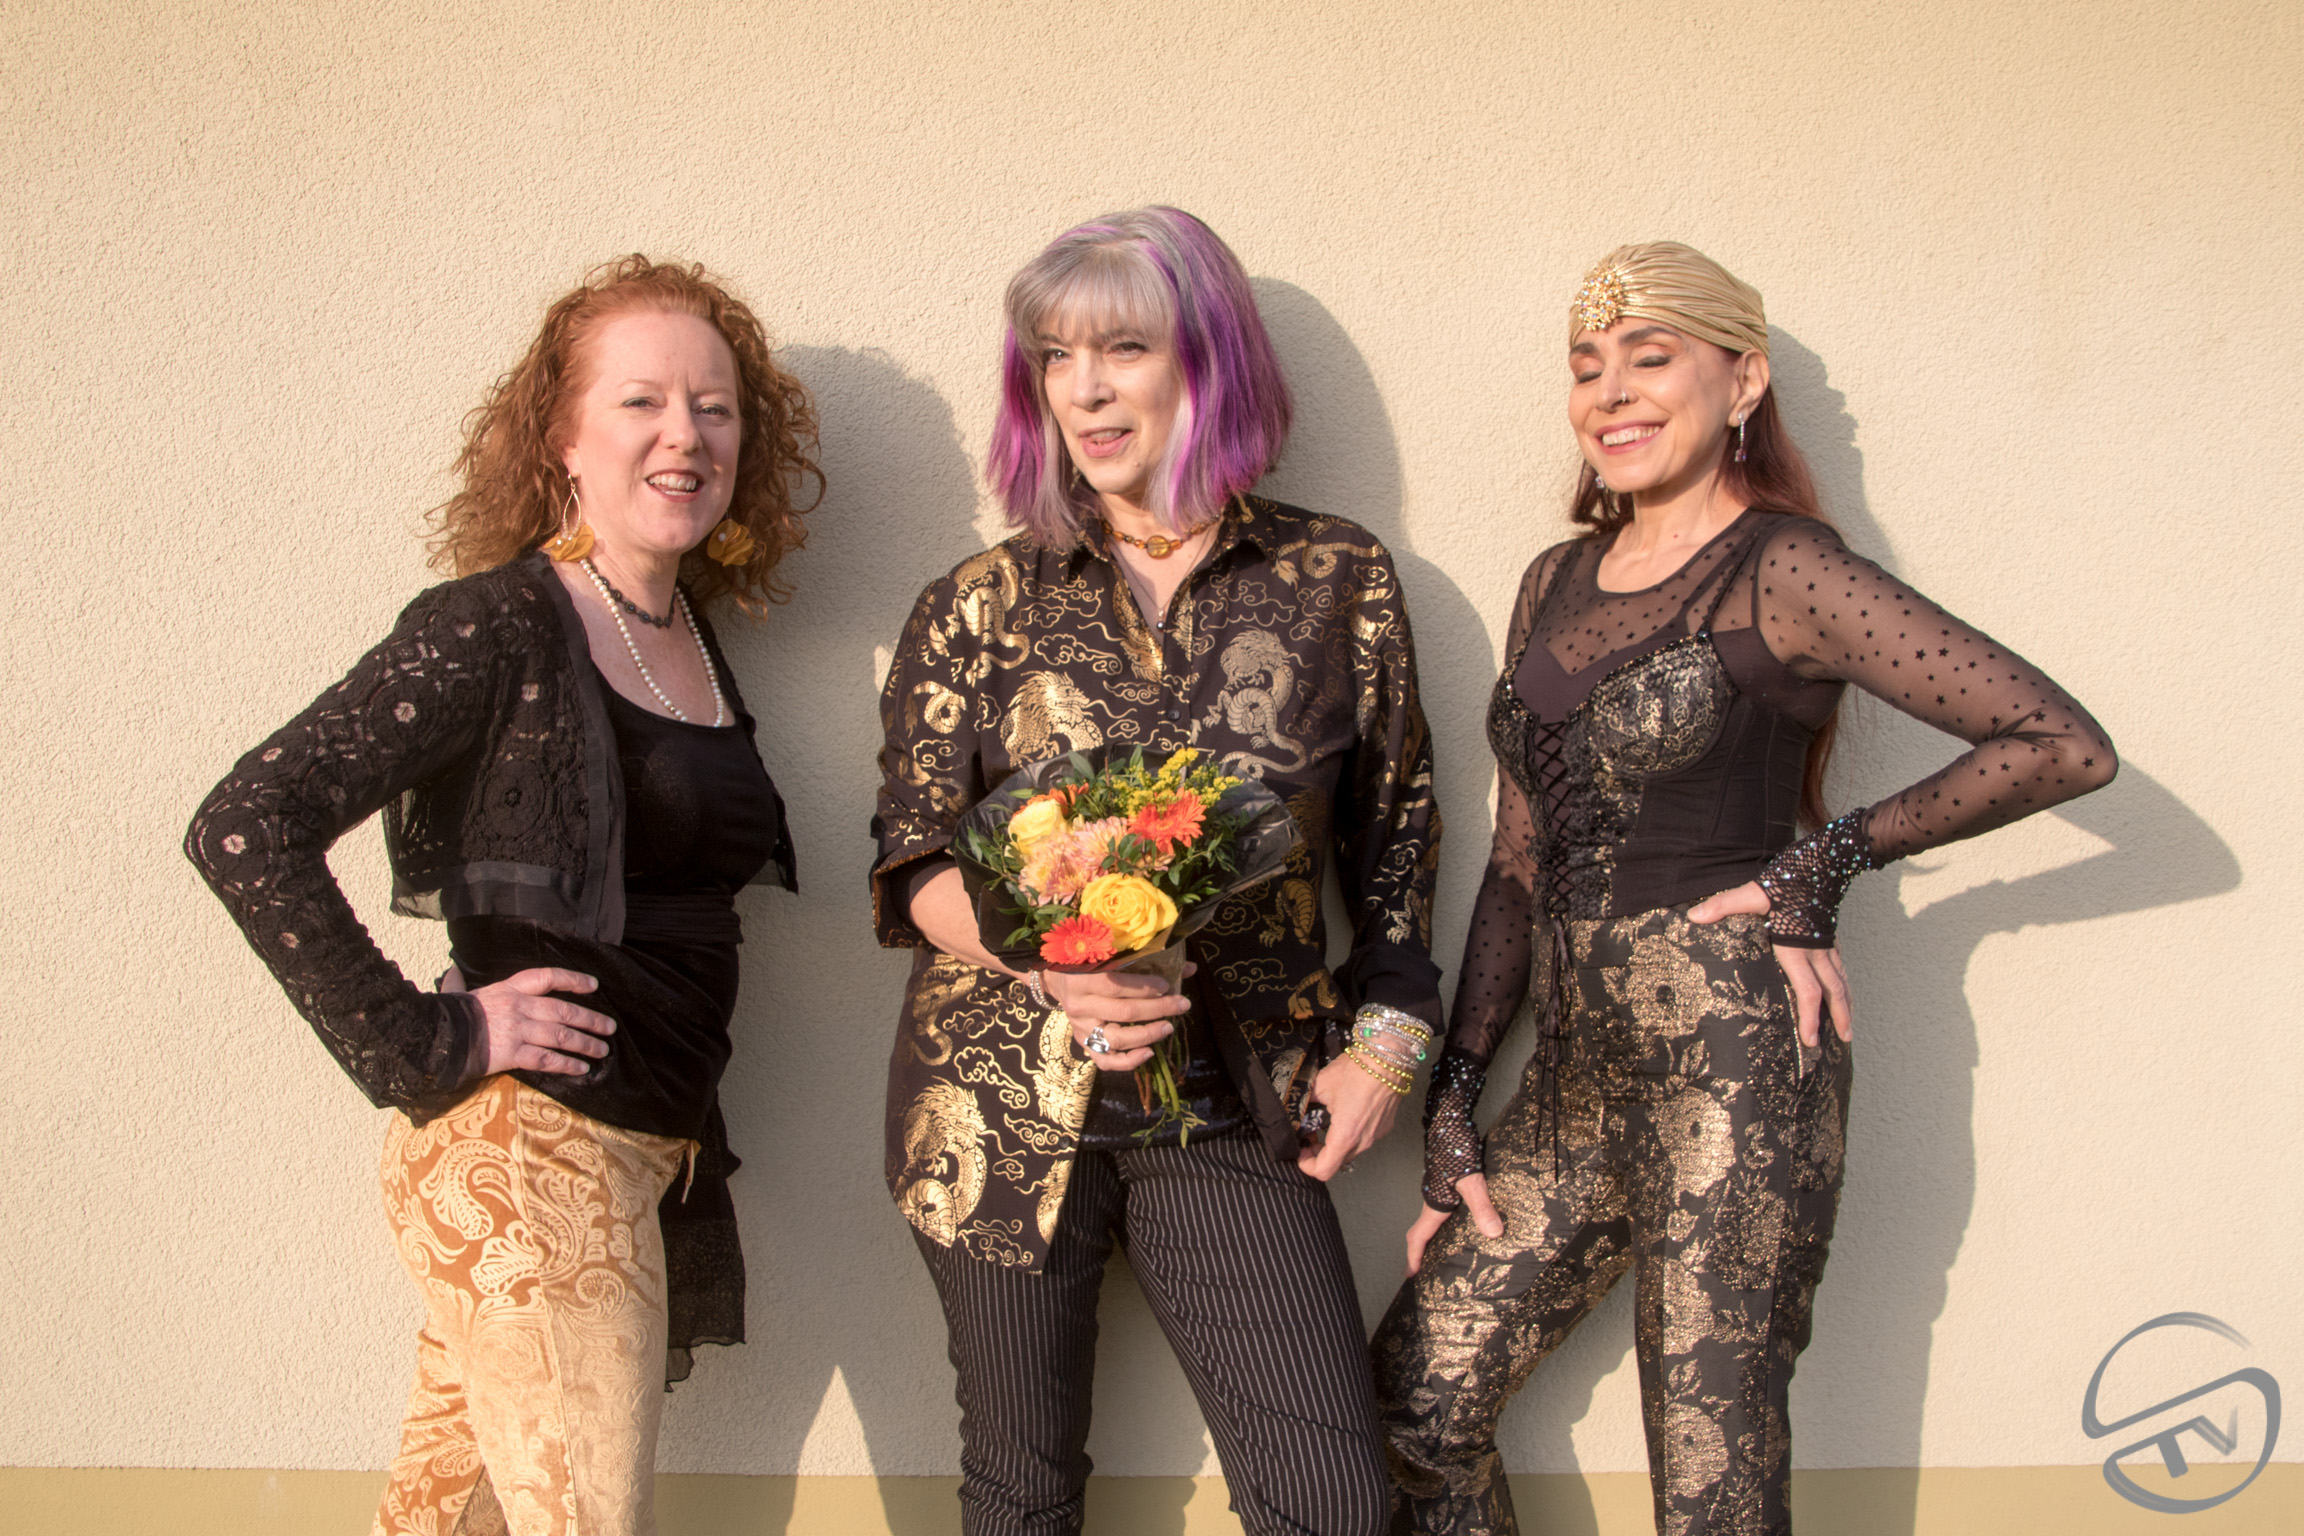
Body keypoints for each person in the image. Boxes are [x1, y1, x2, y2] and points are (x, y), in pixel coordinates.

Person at [1372, 242, 2117, 1535]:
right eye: (1586, 367)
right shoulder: (1554, 581)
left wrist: (1824, 864)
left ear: (1744, 380)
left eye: (1650, 358)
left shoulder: (1786, 567)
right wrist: (1456, 1101)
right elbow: (1519, 860)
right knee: (1413, 1406)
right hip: (1575, 1074)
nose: (1611, 393)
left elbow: (2059, 744)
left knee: (1708, 1472)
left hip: (1736, 1064)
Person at [185, 255, 819, 1536]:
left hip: (634, 1149)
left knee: (447, 1522)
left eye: (714, 408)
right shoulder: (496, 627)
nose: (685, 435)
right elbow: (245, 824)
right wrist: (430, 1036)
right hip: (531, 1153)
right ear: (563, 440)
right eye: (642, 402)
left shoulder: (686, 637)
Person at [871, 206, 1442, 1536]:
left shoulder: (1334, 579)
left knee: (1331, 1502)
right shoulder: (978, 603)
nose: (1083, 389)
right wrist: (1052, 968)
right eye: (1054, 357)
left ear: (1209, 360)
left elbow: (1399, 840)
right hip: (999, 1106)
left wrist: (1389, 1048)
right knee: (1020, 1495)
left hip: (1238, 1100)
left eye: (1122, 347)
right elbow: (910, 865)